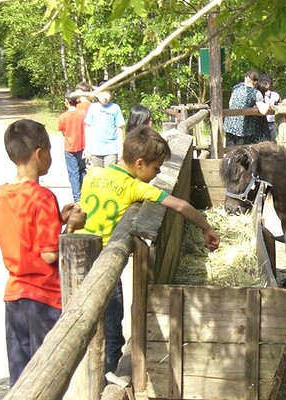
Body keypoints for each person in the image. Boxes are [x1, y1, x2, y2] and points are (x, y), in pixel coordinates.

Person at [78, 126, 220, 373]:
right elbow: (181, 206)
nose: (157, 174)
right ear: (140, 163)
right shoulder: (135, 187)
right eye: (155, 168)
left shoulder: (92, 174)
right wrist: (206, 227)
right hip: (104, 263)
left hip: (79, 260)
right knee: (112, 331)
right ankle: (109, 377)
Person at [0, 119, 85, 388]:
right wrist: (71, 227)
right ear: (39, 153)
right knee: (46, 378)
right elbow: (48, 255)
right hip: (43, 298)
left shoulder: (2, 195)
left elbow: (24, 232)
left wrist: (56, 219)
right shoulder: (42, 196)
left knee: (20, 378)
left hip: (15, 296)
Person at [223, 69, 270, 146]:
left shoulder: (237, 87)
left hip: (230, 124)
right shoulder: (256, 93)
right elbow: (263, 111)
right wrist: (267, 98)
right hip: (245, 128)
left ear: (247, 77)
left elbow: (230, 103)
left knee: (230, 148)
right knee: (243, 151)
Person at [84, 81, 126, 167]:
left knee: (109, 175)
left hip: (111, 149)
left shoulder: (115, 108)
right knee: (98, 176)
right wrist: (87, 147)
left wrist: (120, 149)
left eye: (107, 93)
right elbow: (88, 127)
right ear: (97, 94)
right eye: (102, 93)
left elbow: (119, 129)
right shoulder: (93, 107)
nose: (105, 96)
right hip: (95, 149)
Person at [58, 91, 87, 202]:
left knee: (73, 174)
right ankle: (84, 194)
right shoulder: (83, 114)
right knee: (83, 170)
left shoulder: (63, 117)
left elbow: (63, 131)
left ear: (67, 102)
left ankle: (77, 199)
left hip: (69, 148)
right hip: (83, 147)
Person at [257, 74, 280, 141]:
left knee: (272, 141)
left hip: (271, 122)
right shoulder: (257, 94)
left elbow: (280, 101)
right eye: (265, 82)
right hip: (259, 123)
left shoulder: (274, 94)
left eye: (268, 82)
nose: (267, 84)